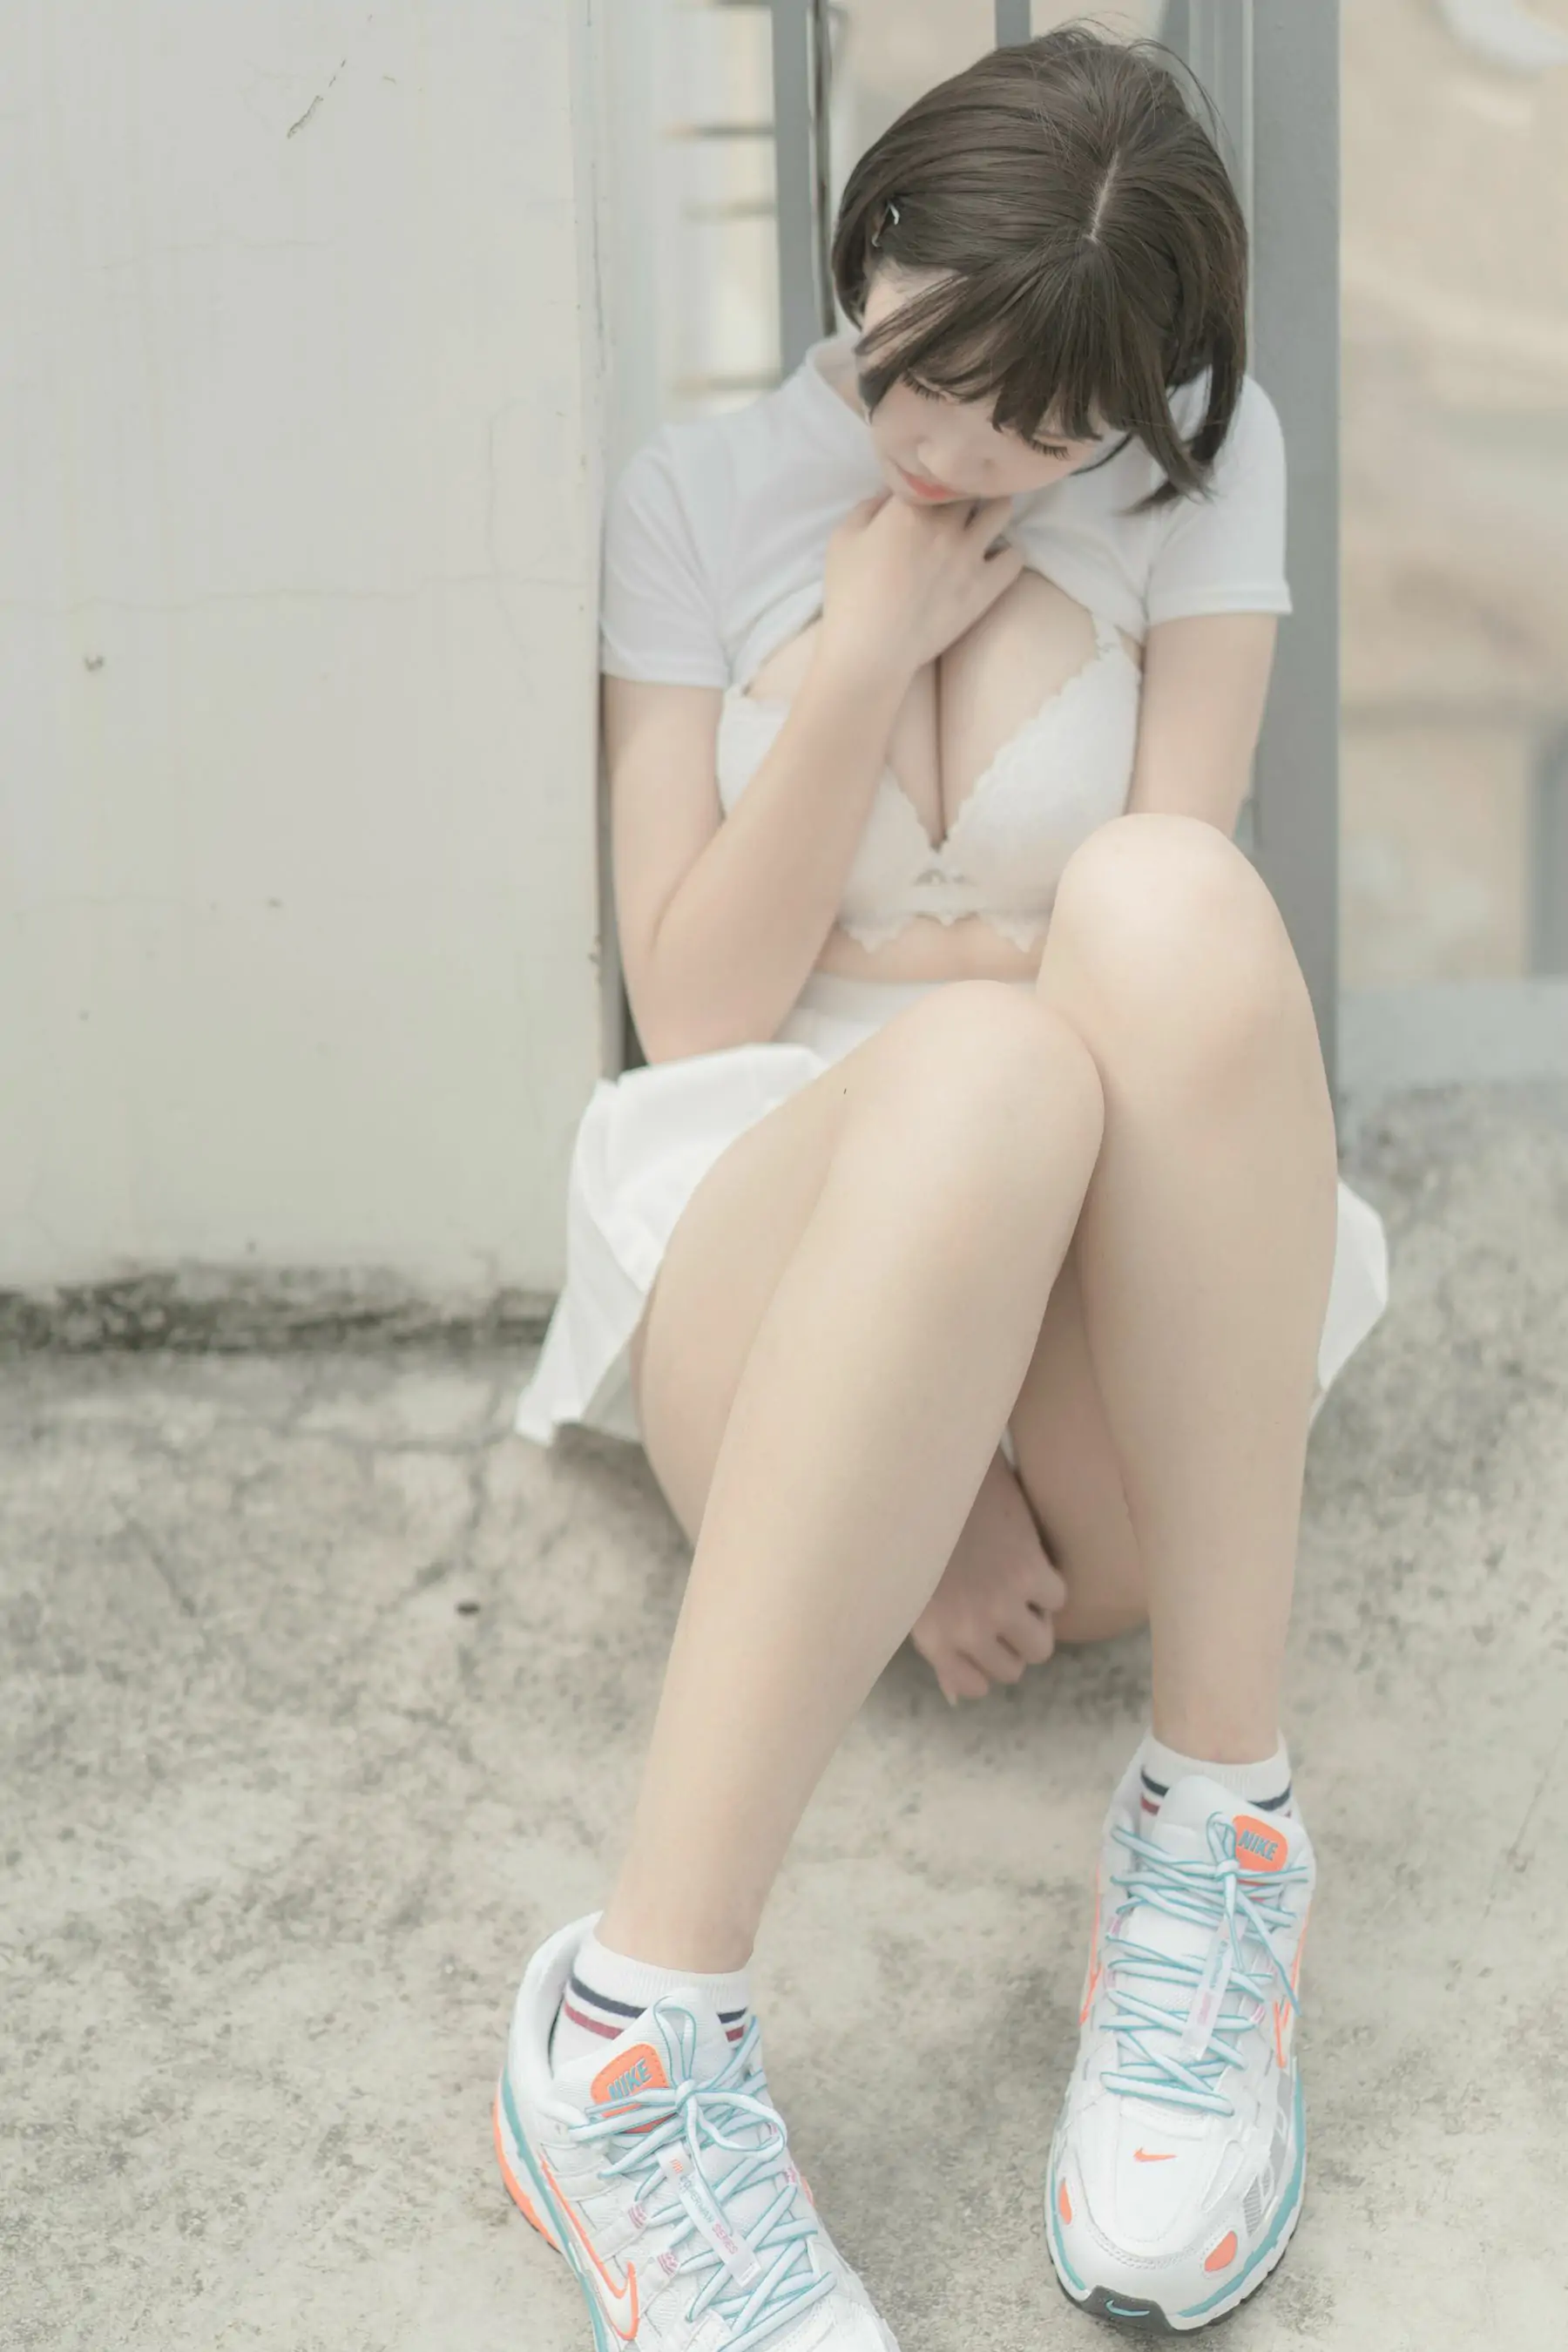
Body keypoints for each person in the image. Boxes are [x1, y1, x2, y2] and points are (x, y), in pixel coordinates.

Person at [499, 24, 1389, 2343]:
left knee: (1160, 923)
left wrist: (906, 960)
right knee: (983, 1061)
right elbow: (701, 998)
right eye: (925, 376)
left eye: (1044, 431)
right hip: (777, 1259)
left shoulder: (1211, 472)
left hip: (1099, 1311)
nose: (963, 454)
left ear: (1145, 398)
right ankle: (633, 2037)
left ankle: (1219, 1836)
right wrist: (864, 650)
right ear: (870, 247)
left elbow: (1153, 935)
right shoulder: (703, 498)